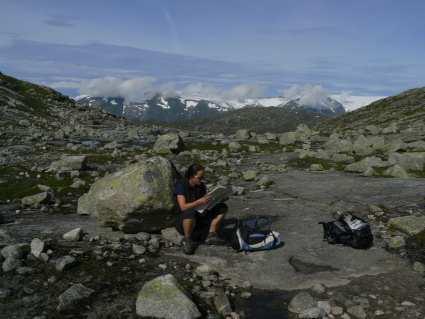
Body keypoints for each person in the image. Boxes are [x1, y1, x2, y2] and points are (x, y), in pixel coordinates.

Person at [175, 163, 228, 255]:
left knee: (222, 207)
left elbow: (205, 203)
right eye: (200, 177)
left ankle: (212, 234)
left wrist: (217, 199)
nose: (202, 180)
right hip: (184, 218)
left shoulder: (201, 186)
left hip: (200, 214)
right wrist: (199, 202)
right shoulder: (181, 185)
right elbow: (183, 207)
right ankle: (187, 239)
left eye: (203, 177)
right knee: (189, 212)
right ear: (192, 176)